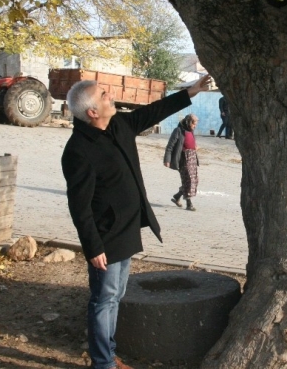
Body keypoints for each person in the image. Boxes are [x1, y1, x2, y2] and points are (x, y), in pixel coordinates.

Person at [61, 74, 211, 369]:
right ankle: (103, 363)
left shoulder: (118, 124)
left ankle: (108, 354)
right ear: (92, 112)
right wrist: (92, 247)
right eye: (104, 95)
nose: (110, 96)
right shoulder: (78, 150)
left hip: (127, 229)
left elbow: (154, 111)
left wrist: (190, 91)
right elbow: (79, 207)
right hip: (105, 238)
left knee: (115, 296)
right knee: (104, 300)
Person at [164, 114, 200, 211]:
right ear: (188, 122)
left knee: (194, 180)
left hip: (192, 158)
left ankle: (177, 196)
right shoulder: (178, 131)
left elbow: (190, 142)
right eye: (194, 124)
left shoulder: (191, 131)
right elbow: (170, 146)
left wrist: (194, 147)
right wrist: (167, 160)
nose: (195, 126)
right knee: (188, 180)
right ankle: (189, 204)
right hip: (183, 158)